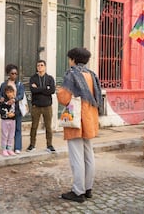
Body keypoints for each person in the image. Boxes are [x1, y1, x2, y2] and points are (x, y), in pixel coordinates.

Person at [57, 47, 103, 203]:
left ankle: (78, 192)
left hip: (77, 120)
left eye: (70, 58)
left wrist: (59, 92)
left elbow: (64, 98)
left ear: (73, 59)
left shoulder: (72, 74)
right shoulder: (92, 75)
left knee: (76, 157)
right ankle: (88, 188)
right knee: (88, 156)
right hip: (90, 118)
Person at [27, 60, 56, 153]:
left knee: (48, 126)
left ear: (45, 67)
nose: (40, 67)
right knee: (34, 126)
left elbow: (51, 91)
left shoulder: (50, 78)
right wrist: (45, 88)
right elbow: (33, 90)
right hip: (36, 106)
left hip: (47, 106)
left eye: (42, 65)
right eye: (38, 65)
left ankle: (49, 145)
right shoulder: (33, 78)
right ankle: (32, 144)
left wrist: (39, 88)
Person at [0, 64, 25, 154]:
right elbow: (0, 94)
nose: (14, 75)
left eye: (16, 73)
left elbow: (21, 95)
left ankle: (17, 147)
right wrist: (1, 98)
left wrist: (14, 99)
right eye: (12, 73)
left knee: (17, 129)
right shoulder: (4, 84)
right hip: (6, 109)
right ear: (8, 74)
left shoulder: (20, 84)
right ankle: (5, 148)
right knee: (6, 131)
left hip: (16, 108)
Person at [0, 85, 17, 156]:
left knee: (11, 135)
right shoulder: (3, 101)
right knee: (4, 135)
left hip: (12, 120)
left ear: (13, 92)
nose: (9, 94)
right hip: (5, 120)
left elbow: (18, 110)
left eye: (11, 92)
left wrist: (14, 114)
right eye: (8, 92)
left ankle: (9, 149)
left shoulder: (15, 101)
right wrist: (6, 113)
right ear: (5, 93)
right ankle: (4, 149)